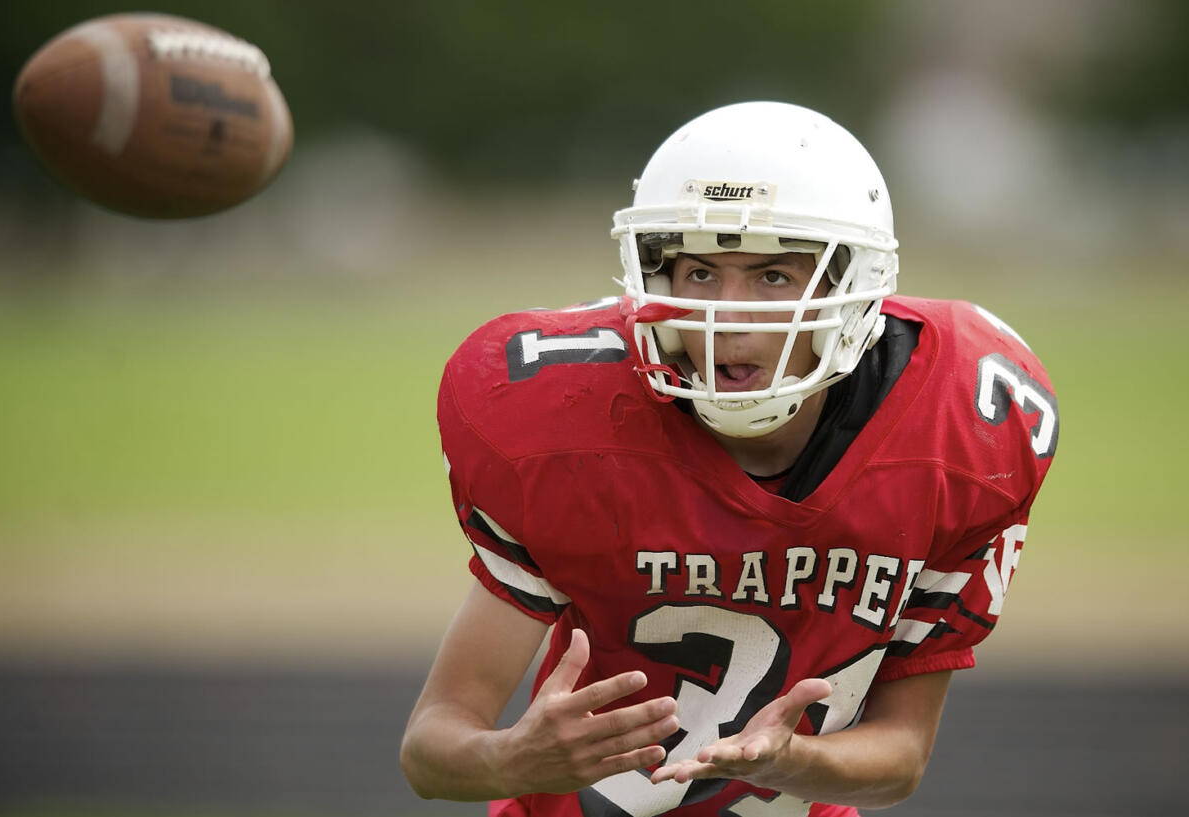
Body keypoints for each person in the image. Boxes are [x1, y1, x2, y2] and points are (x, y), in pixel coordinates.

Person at [399, 101, 1058, 817]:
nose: (729, 316)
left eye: (773, 276)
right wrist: (512, 757)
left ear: (849, 290)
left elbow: (901, 755)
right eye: (702, 273)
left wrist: (792, 758)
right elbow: (431, 749)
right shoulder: (570, 429)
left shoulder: (954, 433)